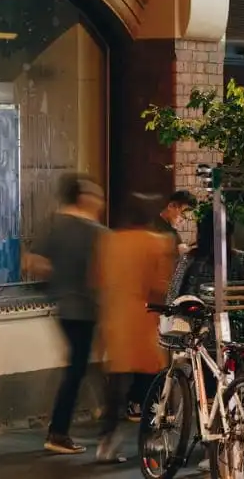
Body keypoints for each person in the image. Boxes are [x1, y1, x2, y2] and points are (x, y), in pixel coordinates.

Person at [94, 193, 175, 462]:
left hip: (115, 319)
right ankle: (151, 441)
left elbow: (99, 281)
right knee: (152, 383)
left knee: (116, 385)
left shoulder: (110, 242)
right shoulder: (157, 244)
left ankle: (106, 441)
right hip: (144, 319)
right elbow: (160, 287)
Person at [33, 174, 107, 455]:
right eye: (96, 196)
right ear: (84, 198)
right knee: (79, 367)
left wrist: (56, 282)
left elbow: (35, 263)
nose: (100, 202)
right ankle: (60, 430)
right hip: (86, 308)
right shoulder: (95, 231)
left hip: (63, 307)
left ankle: (64, 425)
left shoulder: (52, 223)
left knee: (78, 365)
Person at [167, 213, 244, 301]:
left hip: (233, 315)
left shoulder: (243, 259)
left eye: (221, 234)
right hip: (194, 315)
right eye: (211, 234)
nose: (215, 240)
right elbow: (173, 296)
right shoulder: (189, 259)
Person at [152, 190, 196, 254]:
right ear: (171, 206)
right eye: (183, 214)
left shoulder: (172, 230)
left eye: (186, 218)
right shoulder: (151, 227)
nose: (182, 220)